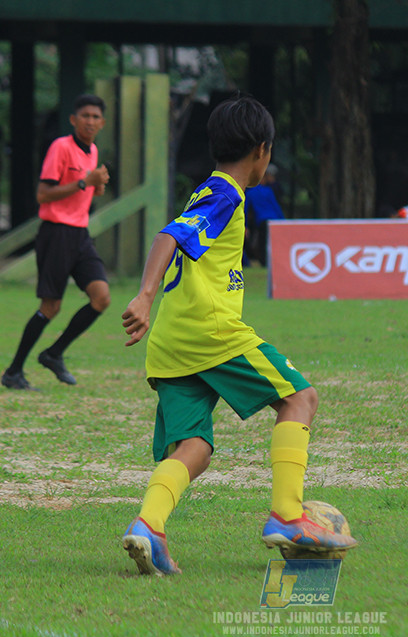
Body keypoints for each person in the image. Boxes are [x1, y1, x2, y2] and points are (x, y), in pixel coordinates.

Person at [118, 95, 357, 576]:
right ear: (262, 150)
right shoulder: (226, 192)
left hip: (172, 341)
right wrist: (144, 294)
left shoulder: (208, 189)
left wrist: (151, 303)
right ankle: (289, 517)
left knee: (194, 448)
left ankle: (149, 526)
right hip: (212, 334)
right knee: (300, 398)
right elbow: (169, 235)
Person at [0, 94, 111, 390]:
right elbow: (43, 194)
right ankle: (13, 372)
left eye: (95, 116)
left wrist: (96, 185)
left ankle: (54, 353)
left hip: (80, 234)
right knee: (51, 307)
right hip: (56, 232)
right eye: (84, 115)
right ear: (74, 120)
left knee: (101, 298)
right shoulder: (60, 147)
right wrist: (85, 182)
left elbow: (88, 192)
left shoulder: (92, 151)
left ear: (102, 123)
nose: (90, 120)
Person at [243, 163, 284, 266]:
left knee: (263, 243)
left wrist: (245, 226)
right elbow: (276, 206)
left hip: (262, 220)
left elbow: (245, 211)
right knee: (274, 242)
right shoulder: (268, 190)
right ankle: (276, 262)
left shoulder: (250, 193)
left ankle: (264, 262)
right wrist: (283, 221)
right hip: (274, 220)